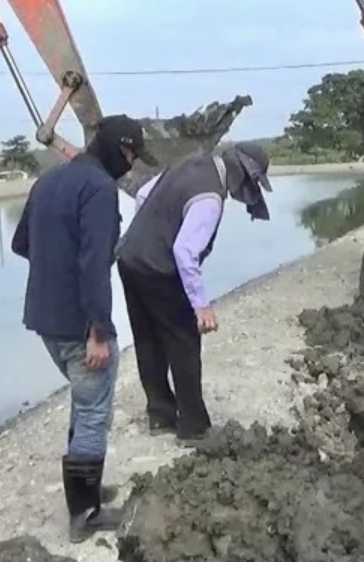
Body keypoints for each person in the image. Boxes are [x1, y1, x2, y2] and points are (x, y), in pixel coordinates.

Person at [10, 114, 158, 543]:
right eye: (130, 154)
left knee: (85, 401)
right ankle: (85, 514)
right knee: (95, 410)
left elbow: (21, 244)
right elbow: (95, 263)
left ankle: (85, 491)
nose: (130, 163)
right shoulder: (98, 189)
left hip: (43, 318)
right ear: (116, 148)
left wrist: (55, 265)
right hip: (80, 323)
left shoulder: (48, 181)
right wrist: (97, 329)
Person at [115, 142, 272, 443]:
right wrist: (201, 306)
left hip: (129, 257)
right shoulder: (211, 197)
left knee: (147, 338)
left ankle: (160, 415)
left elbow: (144, 196)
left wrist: (150, 234)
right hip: (159, 267)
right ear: (241, 174)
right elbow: (185, 251)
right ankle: (194, 427)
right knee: (184, 340)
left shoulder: (189, 163)